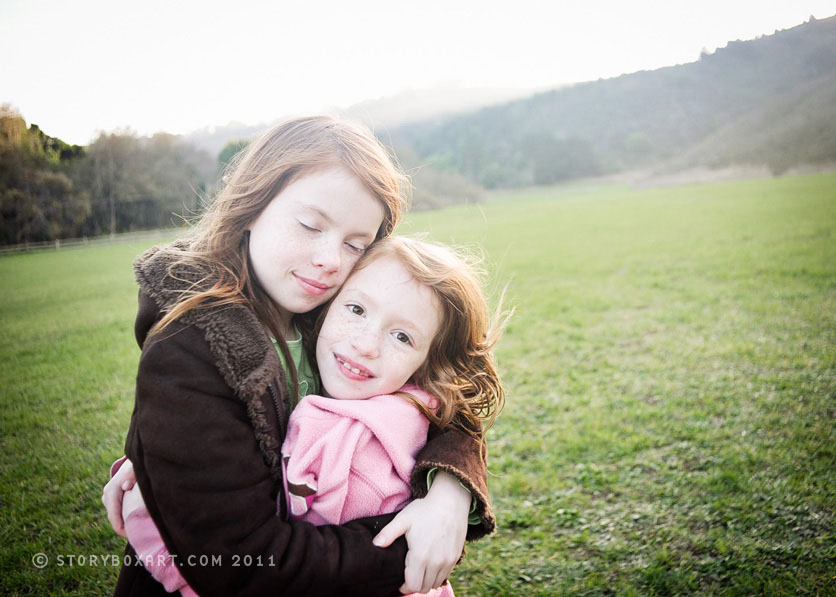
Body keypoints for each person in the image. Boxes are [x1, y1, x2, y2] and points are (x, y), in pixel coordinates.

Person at [101, 116, 496, 596]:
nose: (331, 259)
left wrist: (449, 493)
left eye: (356, 244)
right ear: (252, 205)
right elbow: (240, 564)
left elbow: (449, 396)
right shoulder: (190, 349)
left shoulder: (338, 310)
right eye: (311, 225)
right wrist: (406, 544)